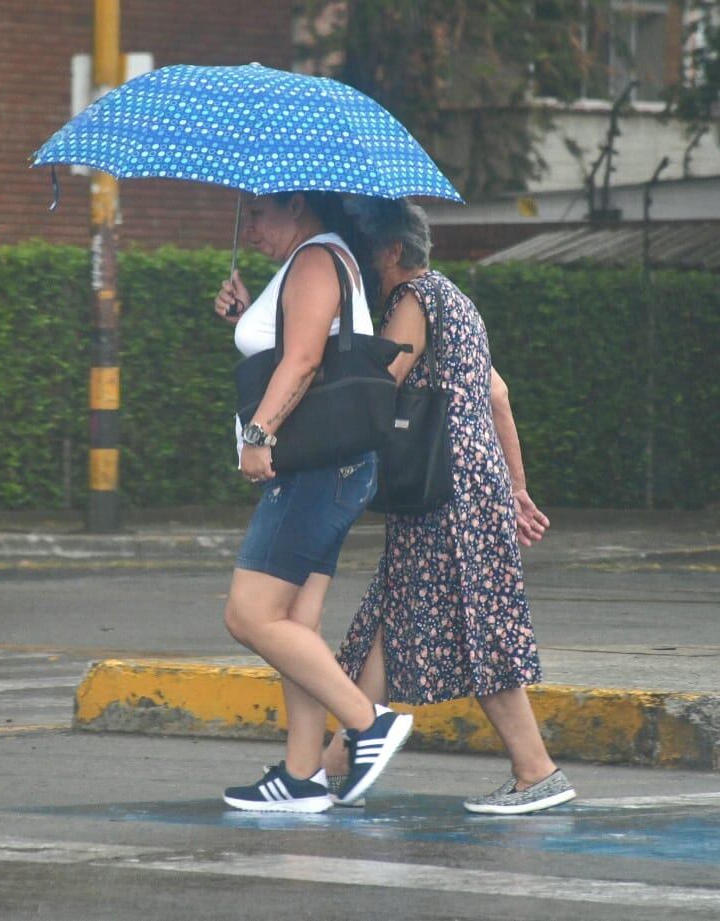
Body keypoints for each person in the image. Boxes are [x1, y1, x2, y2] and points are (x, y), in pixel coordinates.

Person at [321, 197, 573, 815]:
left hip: (444, 489)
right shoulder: (458, 301)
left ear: (391, 252)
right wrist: (514, 488)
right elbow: (499, 396)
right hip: (469, 482)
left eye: (368, 253)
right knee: (391, 616)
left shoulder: (414, 300)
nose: (366, 266)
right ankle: (329, 769)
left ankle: (536, 771)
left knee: (475, 625)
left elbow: (382, 384)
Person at [212, 190, 412, 813]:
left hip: (314, 468)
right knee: (294, 624)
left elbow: (302, 361)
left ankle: (368, 723)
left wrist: (258, 433)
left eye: (259, 213)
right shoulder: (319, 261)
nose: (251, 226)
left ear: (296, 203)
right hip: (333, 467)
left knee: (249, 615)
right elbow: (295, 342)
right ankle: (303, 775)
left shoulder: (316, 261)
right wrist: (246, 315)